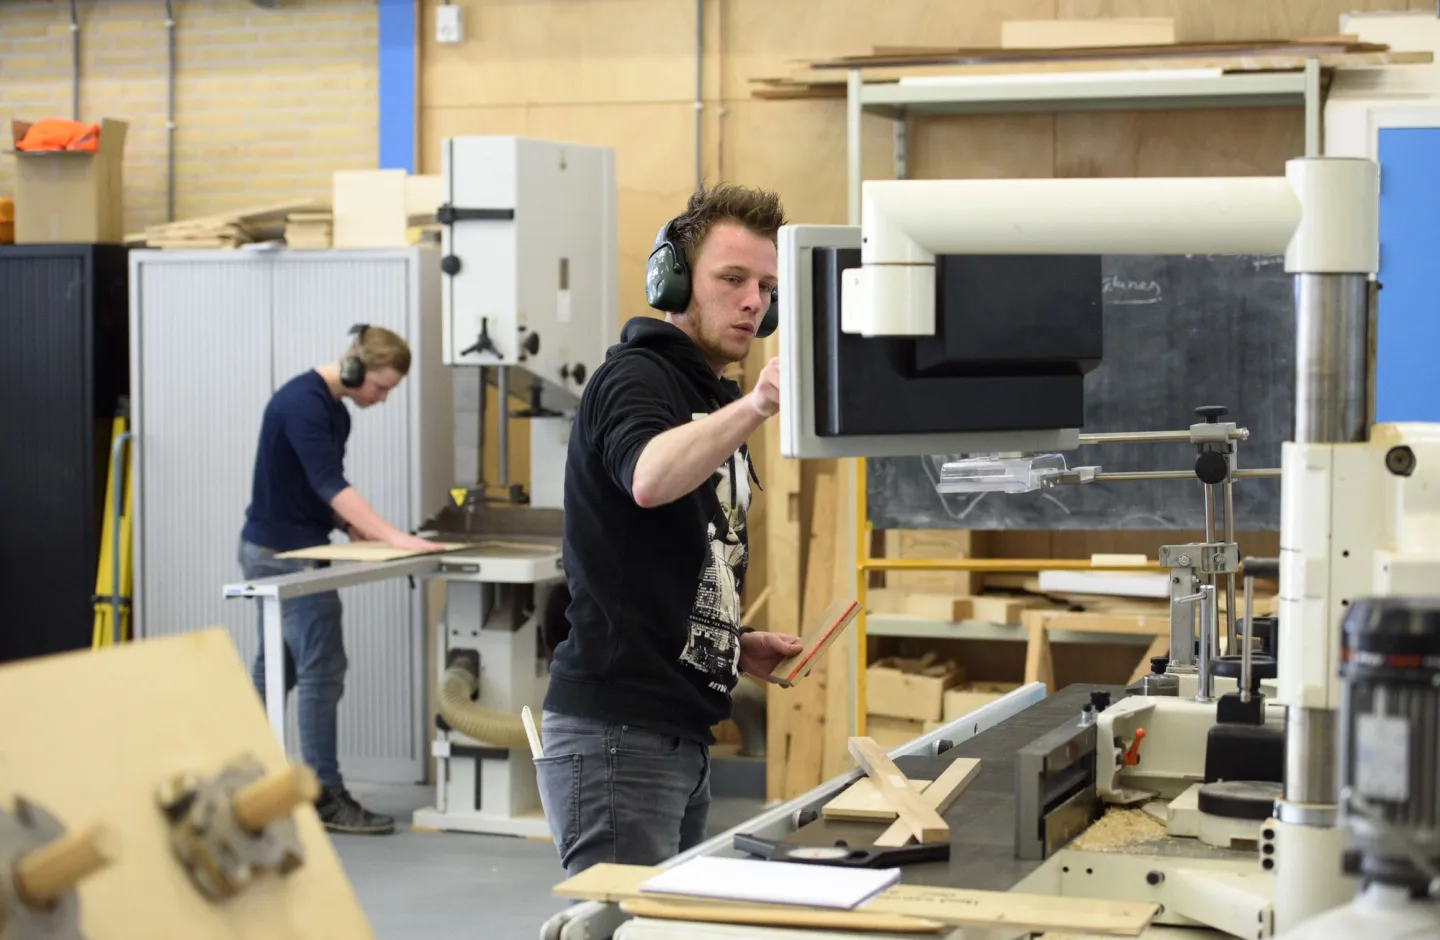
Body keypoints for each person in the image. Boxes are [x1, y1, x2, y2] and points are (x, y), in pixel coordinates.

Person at [537, 183, 805, 876]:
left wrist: (728, 644)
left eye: (767, 286)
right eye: (732, 279)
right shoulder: (636, 378)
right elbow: (650, 478)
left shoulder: (706, 395)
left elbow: (677, 554)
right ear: (674, 280)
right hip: (618, 728)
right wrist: (758, 405)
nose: (754, 301)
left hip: (673, 729)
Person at [238, 324, 442, 836]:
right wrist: (392, 535)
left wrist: (355, 529)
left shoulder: (333, 410)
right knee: (323, 667)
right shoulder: (303, 404)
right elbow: (332, 484)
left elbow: (312, 490)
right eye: (381, 386)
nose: (384, 397)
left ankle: (253, 785)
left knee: (277, 669)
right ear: (353, 368)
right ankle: (324, 794)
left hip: (286, 546)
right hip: (283, 556)